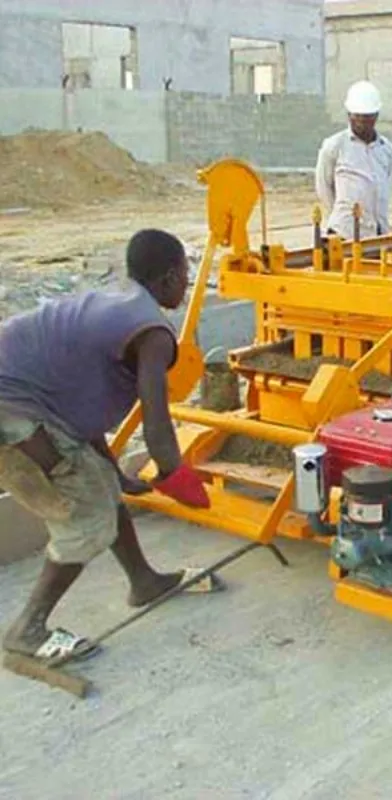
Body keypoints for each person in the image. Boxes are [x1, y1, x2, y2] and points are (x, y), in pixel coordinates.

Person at [0, 229, 219, 662]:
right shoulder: (152, 332)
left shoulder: (118, 301)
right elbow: (157, 422)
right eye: (185, 276)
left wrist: (114, 471)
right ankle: (27, 630)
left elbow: (79, 406)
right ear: (169, 277)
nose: (186, 284)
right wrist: (176, 477)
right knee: (86, 514)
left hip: (26, 396)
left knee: (100, 480)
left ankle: (143, 581)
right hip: (13, 407)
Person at [315, 80, 392, 240]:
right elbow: (324, 187)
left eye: (366, 118)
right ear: (349, 115)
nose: (361, 123)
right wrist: (343, 218)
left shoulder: (386, 149)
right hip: (345, 234)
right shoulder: (334, 146)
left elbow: (385, 184)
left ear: (375, 117)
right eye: (356, 117)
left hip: (377, 234)